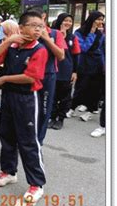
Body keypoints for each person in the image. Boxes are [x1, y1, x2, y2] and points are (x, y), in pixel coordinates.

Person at [0, 10, 47, 203]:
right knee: (6, 135)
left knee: (28, 141)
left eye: (40, 26)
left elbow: (30, 77)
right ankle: (8, 171)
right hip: (9, 97)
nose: (38, 30)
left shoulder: (40, 50)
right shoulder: (12, 46)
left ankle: (36, 184)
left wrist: (3, 78)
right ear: (21, 28)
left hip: (27, 98)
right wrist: (7, 41)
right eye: (33, 25)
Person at [31, 8, 65, 145]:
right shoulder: (28, 33)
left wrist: (46, 38)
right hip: (28, 76)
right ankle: (24, 140)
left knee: (44, 111)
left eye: (37, 20)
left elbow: (61, 55)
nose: (35, 25)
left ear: (44, 17)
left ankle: (38, 142)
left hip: (47, 76)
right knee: (28, 109)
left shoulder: (55, 34)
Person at [70, 11, 105, 122]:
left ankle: (90, 111)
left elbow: (102, 50)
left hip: (97, 64)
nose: (100, 22)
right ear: (91, 19)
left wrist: (104, 65)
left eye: (101, 19)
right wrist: (92, 32)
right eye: (98, 19)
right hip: (84, 63)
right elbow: (84, 48)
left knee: (95, 88)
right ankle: (72, 107)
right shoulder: (80, 32)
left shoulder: (101, 34)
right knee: (80, 86)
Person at [48, 13, 81, 130]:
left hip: (66, 70)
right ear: (59, 21)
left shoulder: (73, 38)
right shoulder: (51, 34)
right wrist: (59, 36)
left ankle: (60, 118)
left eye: (70, 21)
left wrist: (75, 72)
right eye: (65, 20)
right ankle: (51, 117)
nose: (67, 23)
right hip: (53, 68)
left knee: (65, 96)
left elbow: (76, 56)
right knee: (52, 95)